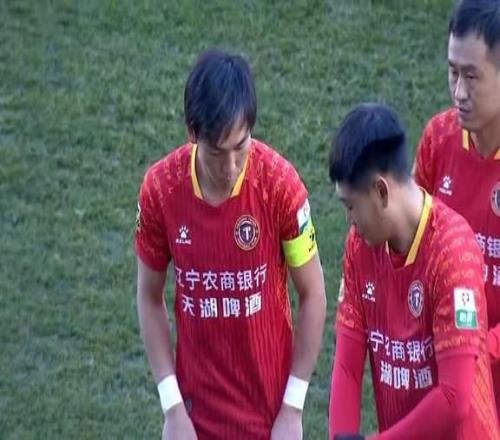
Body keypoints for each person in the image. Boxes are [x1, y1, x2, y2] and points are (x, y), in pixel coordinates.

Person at [134, 49, 326, 440]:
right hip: (194, 421)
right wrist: (172, 408)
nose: (231, 167)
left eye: (241, 146)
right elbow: (149, 297)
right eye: (217, 153)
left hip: (270, 420)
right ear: (192, 133)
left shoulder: (280, 186)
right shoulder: (161, 190)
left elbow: (313, 294)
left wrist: (292, 408)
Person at [328, 103, 499, 439]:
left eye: (351, 206)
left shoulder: (453, 251)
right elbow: (347, 366)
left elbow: (454, 398)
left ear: (381, 191)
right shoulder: (360, 247)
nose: (349, 220)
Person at [413, 0, 500, 416]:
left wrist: (478, 349)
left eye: (472, 76)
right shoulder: (438, 139)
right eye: (452, 72)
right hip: (446, 382)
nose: (459, 92)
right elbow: (411, 247)